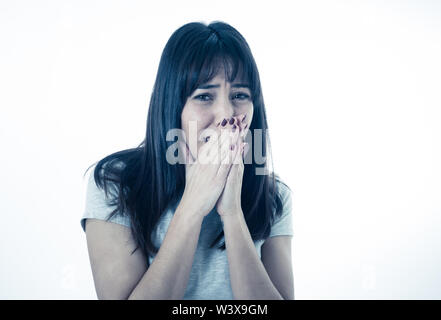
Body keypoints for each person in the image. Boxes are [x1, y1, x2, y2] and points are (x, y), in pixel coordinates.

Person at [81, 21, 294, 300]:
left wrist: (231, 213)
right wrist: (194, 204)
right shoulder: (114, 184)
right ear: (173, 107)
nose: (225, 115)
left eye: (240, 95)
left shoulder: (273, 195)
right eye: (204, 96)